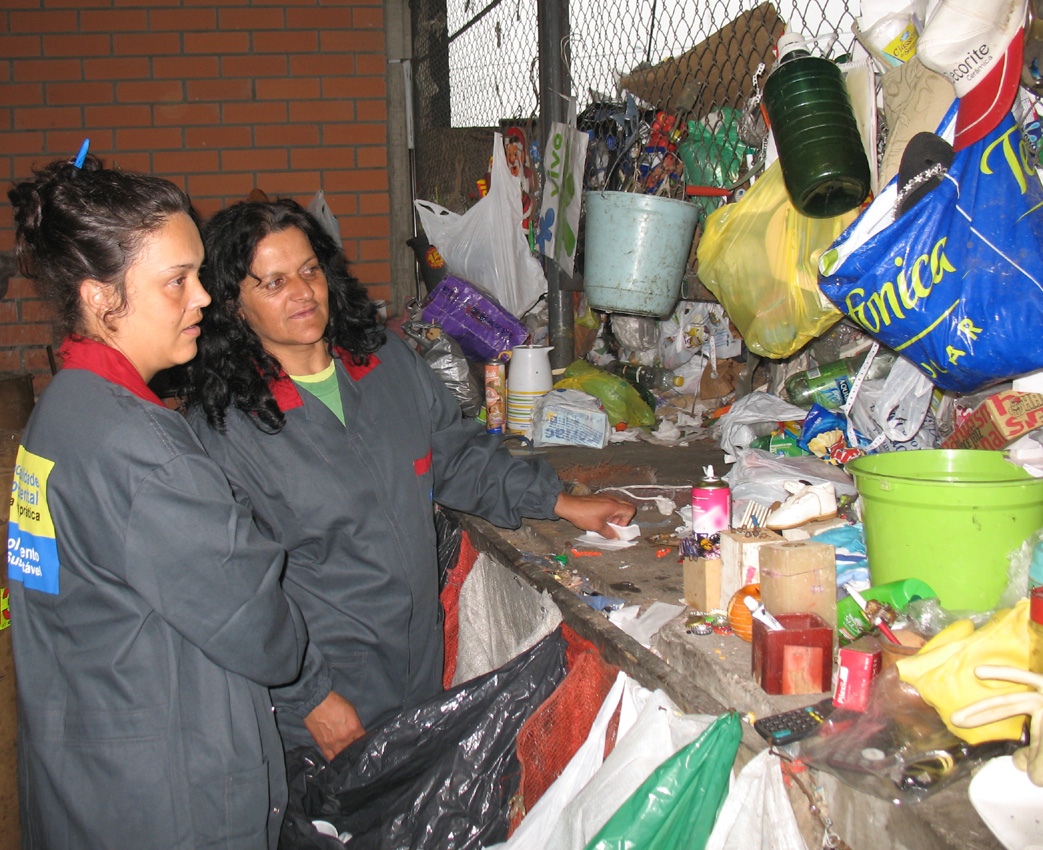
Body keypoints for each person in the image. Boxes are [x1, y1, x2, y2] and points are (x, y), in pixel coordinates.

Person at [182, 199, 635, 761]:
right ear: (234, 305)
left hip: (416, 668)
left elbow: (456, 454)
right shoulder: (228, 426)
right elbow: (234, 591)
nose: (302, 291)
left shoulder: (383, 364)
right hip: (324, 691)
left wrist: (559, 501)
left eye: (309, 270)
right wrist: (309, 698)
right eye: (273, 283)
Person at [6, 155, 309, 849]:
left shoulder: (66, 414)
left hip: (88, 773)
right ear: (99, 297)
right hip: (167, 801)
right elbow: (268, 636)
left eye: (199, 275)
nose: (203, 297)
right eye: (177, 281)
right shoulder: (141, 453)